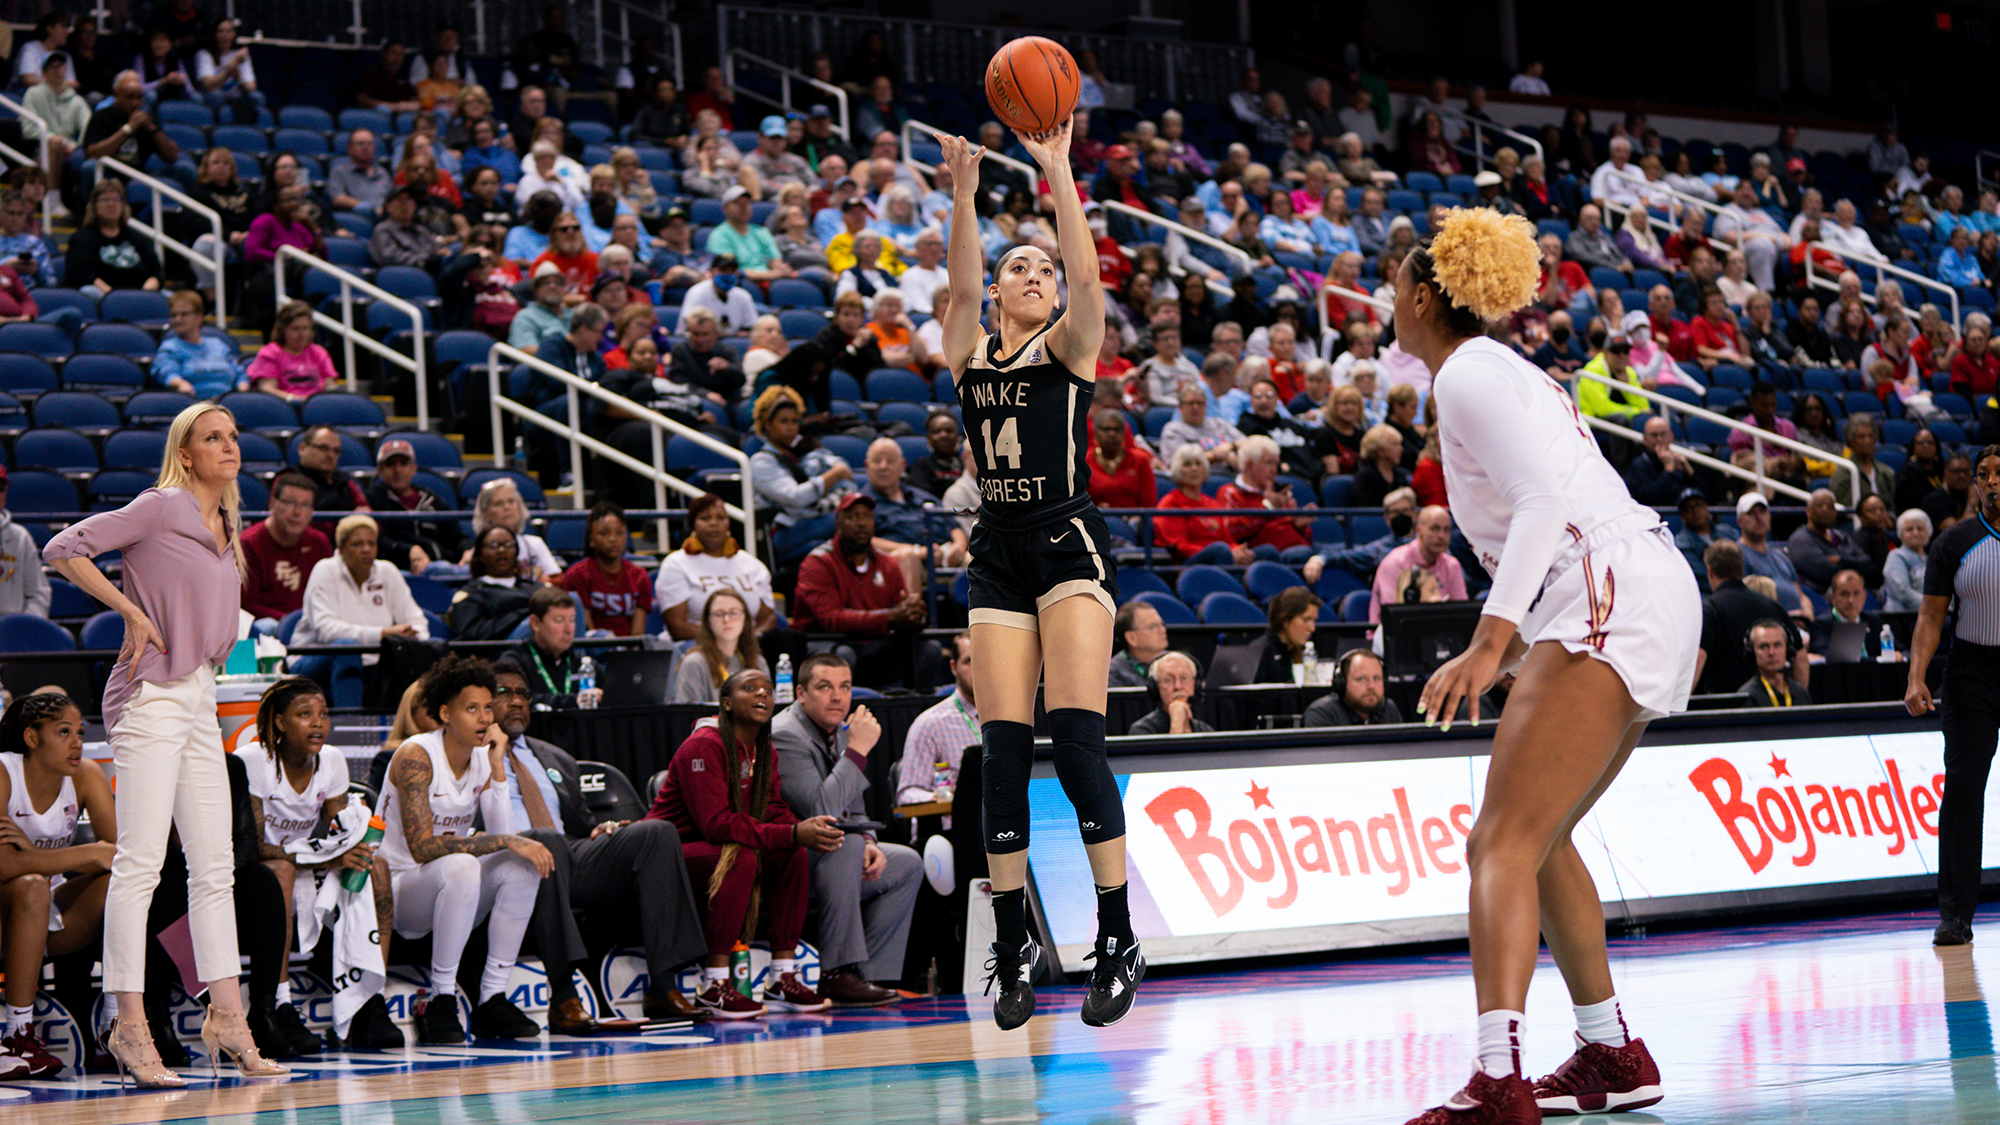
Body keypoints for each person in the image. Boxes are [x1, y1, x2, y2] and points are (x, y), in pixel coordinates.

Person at [1391, 208, 1698, 1125]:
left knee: (1498, 843)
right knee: (1543, 834)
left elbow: (1539, 507)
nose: (1387, 304)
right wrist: (1523, 638)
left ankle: (1498, 1079)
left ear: (1421, 297)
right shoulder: (1506, 370)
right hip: (1628, 584)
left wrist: (1491, 641)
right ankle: (1611, 1050)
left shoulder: (1468, 373)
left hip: (1606, 589)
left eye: (1393, 290)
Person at [932, 121, 1143, 1028]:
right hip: (997, 550)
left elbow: (1089, 280)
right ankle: (1014, 938)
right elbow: (960, 284)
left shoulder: (1068, 347)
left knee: (1077, 741)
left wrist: (1056, 168)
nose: (1033, 275)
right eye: (1018, 267)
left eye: (1042, 270)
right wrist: (964, 194)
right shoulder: (969, 351)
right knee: (1002, 757)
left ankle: (1116, 936)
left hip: (1065, 544)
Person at [41, 402, 289, 1087]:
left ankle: (228, 1017)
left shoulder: (228, 524)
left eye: (233, 436)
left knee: (216, 866)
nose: (229, 446)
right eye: (213, 437)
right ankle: (129, 1023)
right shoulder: (159, 506)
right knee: (141, 864)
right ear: (185, 453)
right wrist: (127, 609)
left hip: (201, 694)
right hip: (149, 695)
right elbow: (62, 548)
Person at [376, 655, 552, 1043]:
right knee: (463, 865)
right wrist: (507, 840)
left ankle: (491, 998)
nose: (484, 718)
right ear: (445, 713)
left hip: (454, 889)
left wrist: (498, 766)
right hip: (401, 891)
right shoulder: (416, 754)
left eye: (488, 708)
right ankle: (441, 999)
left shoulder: (483, 756)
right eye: (472, 709)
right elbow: (422, 849)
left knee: (520, 867)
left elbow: (503, 839)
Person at [643, 670, 837, 1018]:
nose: (762, 694)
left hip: (713, 850)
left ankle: (783, 977)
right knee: (740, 856)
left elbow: (773, 808)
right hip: (667, 856)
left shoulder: (763, 749)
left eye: (767, 689)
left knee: (792, 854)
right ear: (727, 703)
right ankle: (714, 985)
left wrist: (803, 829)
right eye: (750, 688)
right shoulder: (703, 745)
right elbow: (716, 825)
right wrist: (793, 833)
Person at [232, 678, 387, 1053]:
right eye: (305, 714)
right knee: (280, 871)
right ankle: (279, 1003)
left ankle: (369, 1000)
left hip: (304, 861)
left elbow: (339, 832)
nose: (318, 723)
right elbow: (251, 847)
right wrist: (325, 857)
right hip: (248, 873)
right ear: (280, 723)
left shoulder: (331, 760)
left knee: (375, 867)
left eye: (323, 714)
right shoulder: (253, 760)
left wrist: (356, 840)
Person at [768, 654, 921, 1004]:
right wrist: (858, 750)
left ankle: (871, 977)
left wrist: (869, 841)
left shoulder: (837, 731)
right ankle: (837, 972)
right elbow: (822, 809)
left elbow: (854, 808)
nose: (837, 697)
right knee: (845, 843)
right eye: (825, 687)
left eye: (845, 687)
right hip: (784, 857)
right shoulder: (785, 735)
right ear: (800, 694)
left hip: (829, 854)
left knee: (906, 864)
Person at [1906, 444, 2000, 945]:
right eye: (1983, 474)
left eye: (1999, 473)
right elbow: (1930, 616)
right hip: (1971, 675)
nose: (1992, 481)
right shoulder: (1955, 541)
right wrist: (1916, 676)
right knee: (1963, 786)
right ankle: (1956, 915)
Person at [0, 692, 115, 1076]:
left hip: (44, 910)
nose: (77, 742)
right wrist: (88, 853)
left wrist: (31, 853)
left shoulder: (87, 774)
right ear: (32, 738)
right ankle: (18, 1036)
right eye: (64, 732)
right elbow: (4, 866)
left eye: (80, 732)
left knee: (120, 882)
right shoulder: (4, 772)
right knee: (32, 885)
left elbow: (117, 855)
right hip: (8, 910)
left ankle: (117, 1025)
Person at [791, 492, 938, 690]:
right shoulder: (817, 563)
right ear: (838, 524)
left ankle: (914, 706)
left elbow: (899, 610)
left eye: (867, 516)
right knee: (842, 658)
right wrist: (890, 616)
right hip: (824, 641)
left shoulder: (887, 563)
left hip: (871, 642)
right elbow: (832, 619)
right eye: (852, 517)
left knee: (929, 650)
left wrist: (913, 615)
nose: (861, 523)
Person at [291, 514, 427, 705]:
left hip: (373, 662)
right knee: (347, 648)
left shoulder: (387, 572)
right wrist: (383, 635)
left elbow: (418, 621)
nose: (366, 549)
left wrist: (411, 635)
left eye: (372, 543)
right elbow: (326, 631)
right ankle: (350, 722)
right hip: (314, 660)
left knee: (425, 651)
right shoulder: (325, 570)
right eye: (357, 544)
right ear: (341, 549)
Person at [1693, 541, 1802, 695]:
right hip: (1769, 704)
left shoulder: (1708, 610)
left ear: (1709, 571)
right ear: (1742, 568)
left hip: (1723, 705)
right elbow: (1800, 657)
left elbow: (1698, 658)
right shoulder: (1772, 605)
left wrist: (1678, 703)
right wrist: (1798, 700)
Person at [361, 438, 460, 573]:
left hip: (443, 565)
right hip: (398, 570)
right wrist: (410, 550)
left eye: (403, 463)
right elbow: (377, 540)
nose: (397, 470)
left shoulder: (430, 498)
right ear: (380, 470)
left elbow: (457, 536)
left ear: (414, 468)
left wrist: (467, 551)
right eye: (390, 464)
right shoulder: (372, 499)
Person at [553, 503, 651, 637]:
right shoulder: (577, 575)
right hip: (594, 644)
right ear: (591, 540)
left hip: (628, 645)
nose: (613, 539)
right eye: (604, 533)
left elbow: (638, 633)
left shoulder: (640, 576)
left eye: (620, 533)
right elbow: (585, 630)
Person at [1369, 505, 1467, 625]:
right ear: (1418, 530)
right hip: (1395, 632)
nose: (1441, 536)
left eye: (1446, 530)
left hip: (1439, 632)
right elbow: (1395, 616)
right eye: (1434, 529)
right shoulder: (1394, 563)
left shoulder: (1452, 565)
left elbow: (1462, 614)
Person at [506, 586, 598, 710]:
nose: (568, 629)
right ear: (535, 623)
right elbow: (519, 700)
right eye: (559, 620)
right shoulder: (516, 662)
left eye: (572, 620)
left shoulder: (581, 661)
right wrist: (574, 700)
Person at [63, 178, 162, 293]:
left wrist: (144, 293)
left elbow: (156, 272)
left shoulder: (138, 238)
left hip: (139, 294)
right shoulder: (81, 238)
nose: (111, 204)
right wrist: (112, 296)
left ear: (123, 205)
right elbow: (80, 274)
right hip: (101, 295)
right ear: (94, 206)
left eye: (116, 199)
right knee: (89, 291)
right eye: (105, 200)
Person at [673, 588, 769, 705]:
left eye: (734, 613)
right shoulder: (694, 663)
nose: (726, 619)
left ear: (745, 619)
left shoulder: (758, 662)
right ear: (708, 621)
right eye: (719, 614)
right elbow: (687, 713)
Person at [447, 526, 536, 641]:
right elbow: (473, 633)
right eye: (493, 546)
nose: (502, 550)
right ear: (480, 553)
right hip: (503, 648)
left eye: (508, 545)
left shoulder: (533, 586)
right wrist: (522, 614)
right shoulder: (471, 594)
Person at [464, 475, 561, 579]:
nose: (507, 507)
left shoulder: (534, 544)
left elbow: (557, 578)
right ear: (485, 512)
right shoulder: (481, 550)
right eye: (498, 504)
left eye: (511, 501)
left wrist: (541, 581)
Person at [1787, 488, 1879, 593]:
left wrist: (1841, 560)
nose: (1825, 509)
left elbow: (1867, 564)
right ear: (1808, 511)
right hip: (1818, 595)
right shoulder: (1800, 539)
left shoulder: (1841, 536)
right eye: (1819, 506)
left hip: (1853, 593)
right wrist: (1854, 565)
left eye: (1830, 506)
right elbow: (1826, 573)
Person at [152, 289, 242, 396]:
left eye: (184, 314)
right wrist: (180, 384)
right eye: (173, 315)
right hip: (193, 402)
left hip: (227, 402)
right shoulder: (170, 347)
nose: (177, 319)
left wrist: (242, 390)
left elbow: (239, 374)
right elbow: (166, 373)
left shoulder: (218, 344)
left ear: (199, 316)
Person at [247, 298, 338, 401]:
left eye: (305, 328)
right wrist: (296, 400)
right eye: (295, 329)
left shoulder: (319, 352)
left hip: (316, 406)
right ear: (282, 330)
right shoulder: (270, 353)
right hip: (283, 406)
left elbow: (330, 386)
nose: (302, 334)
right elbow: (267, 389)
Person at [1735, 492, 1809, 617]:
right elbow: (1743, 602)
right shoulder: (1737, 557)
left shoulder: (1781, 557)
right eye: (1751, 513)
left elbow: (1801, 596)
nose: (1759, 518)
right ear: (1739, 521)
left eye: (1762, 512)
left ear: (1769, 516)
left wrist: (1807, 612)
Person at [292, 424, 370, 540]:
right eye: (323, 448)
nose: (330, 455)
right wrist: (352, 522)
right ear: (302, 448)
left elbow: (369, 517)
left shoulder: (346, 482)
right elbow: (298, 523)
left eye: (336, 451)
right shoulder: (289, 481)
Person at [1301, 649, 1405, 726]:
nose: (1371, 686)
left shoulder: (1388, 709)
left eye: (1376, 678)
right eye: (1361, 679)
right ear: (1342, 683)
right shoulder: (1321, 714)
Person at [1128, 651, 1213, 735]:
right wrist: (1177, 723)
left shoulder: (1205, 730)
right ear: (1156, 688)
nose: (1178, 686)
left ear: (1195, 684)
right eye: (1168, 680)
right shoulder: (1142, 731)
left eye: (1184, 678)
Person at [1807, 568, 1884, 659]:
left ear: (1864, 597)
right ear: (1833, 598)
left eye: (1856, 593)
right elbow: (1828, 658)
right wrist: (1878, 660)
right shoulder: (1821, 625)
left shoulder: (1873, 621)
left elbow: (1897, 650)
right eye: (1844, 594)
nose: (1851, 600)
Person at [1623, 417, 1699, 507]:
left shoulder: (1679, 462)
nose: (1659, 439)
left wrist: (1690, 474)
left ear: (1671, 437)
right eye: (1654, 435)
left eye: (1663, 434)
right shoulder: (1638, 466)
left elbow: (1706, 498)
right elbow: (1650, 499)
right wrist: (1668, 470)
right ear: (1645, 440)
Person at [1739, 619, 1812, 707]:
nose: (1771, 652)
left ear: (1787, 649)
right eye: (1763, 647)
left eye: (1777, 645)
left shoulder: (1800, 693)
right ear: (1752, 651)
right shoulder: (1747, 696)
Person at [326, 129, 391, 217]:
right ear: (349, 148)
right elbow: (338, 199)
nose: (366, 147)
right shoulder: (339, 171)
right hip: (357, 218)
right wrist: (370, 209)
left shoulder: (382, 173)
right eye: (360, 144)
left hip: (385, 218)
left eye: (370, 144)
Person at [1108, 602, 1169, 688]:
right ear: (1131, 638)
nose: (1162, 630)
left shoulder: (1176, 662)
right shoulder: (1113, 673)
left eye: (1162, 624)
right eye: (1152, 627)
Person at [1882, 508, 1931, 613]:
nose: (1915, 533)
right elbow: (1903, 592)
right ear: (1900, 534)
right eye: (1909, 529)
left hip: (1929, 615)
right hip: (1904, 616)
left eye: (1920, 529)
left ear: (1928, 533)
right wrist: (1935, 607)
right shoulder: (1896, 556)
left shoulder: (1930, 559)